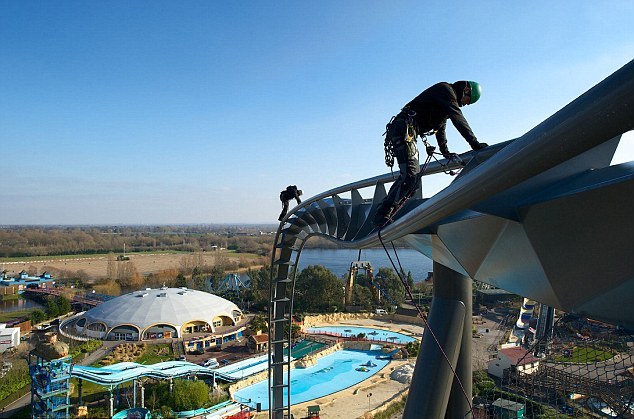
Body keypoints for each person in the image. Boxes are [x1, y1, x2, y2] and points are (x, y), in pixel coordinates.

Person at [373, 80, 488, 226]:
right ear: (466, 90)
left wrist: (445, 151)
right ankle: (382, 214)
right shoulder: (445, 90)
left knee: (413, 183)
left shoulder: (445, 101)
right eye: (467, 101)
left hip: (406, 130)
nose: (464, 104)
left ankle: (385, 211)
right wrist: (474, 143)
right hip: (404, 128)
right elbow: (457, 117)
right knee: (410, 176)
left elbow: (441, 129)